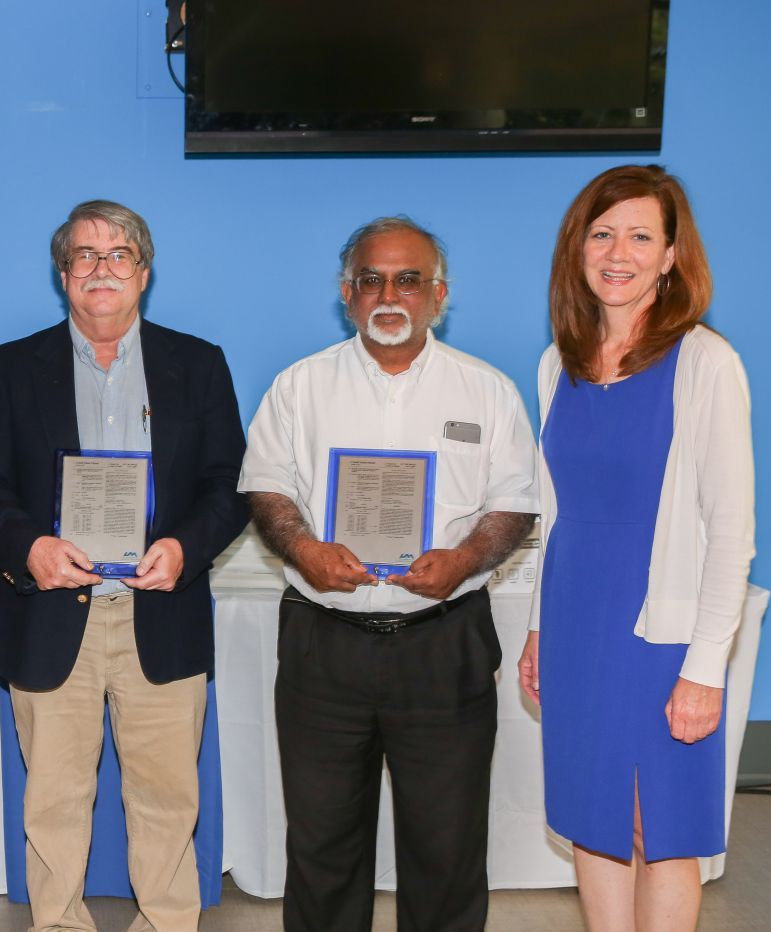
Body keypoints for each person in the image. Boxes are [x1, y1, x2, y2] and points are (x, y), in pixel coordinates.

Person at [0, 200, 248, 932]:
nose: (101, 269)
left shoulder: (198, 364)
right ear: (63, 276)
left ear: (143, 273)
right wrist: (30, 548)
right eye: (84, 256)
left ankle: (169, 923)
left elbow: (229, 484)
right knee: (52, 801)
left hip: (163, 610)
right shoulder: (13, 367)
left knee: (168, 798)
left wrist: (183, 548)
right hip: (53, 612)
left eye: (119, 254)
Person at [240, 216, 538, 931]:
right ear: (347, 293)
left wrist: (466, 559)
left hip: (444, 643)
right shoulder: (299, 386)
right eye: (371, 278)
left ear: (439, 295)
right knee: (321, 843)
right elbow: (266, 489)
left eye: (409, 279)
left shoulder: (487, 391)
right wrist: (303, 547)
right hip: (323, 643)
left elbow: (515, 505)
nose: (389, 293)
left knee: (446, 845)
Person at [516, 165, 754, 931]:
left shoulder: (705, 362)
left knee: (661, 827)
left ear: (671, 255)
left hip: (664, 631)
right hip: (577, 623)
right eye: (602, 233)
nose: (618, 252)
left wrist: (705, 667)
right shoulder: (559, 365)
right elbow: (552, 514)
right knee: (594, 817)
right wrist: (536, 627)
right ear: (577, 249)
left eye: (640, 236)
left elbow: (731, 532)